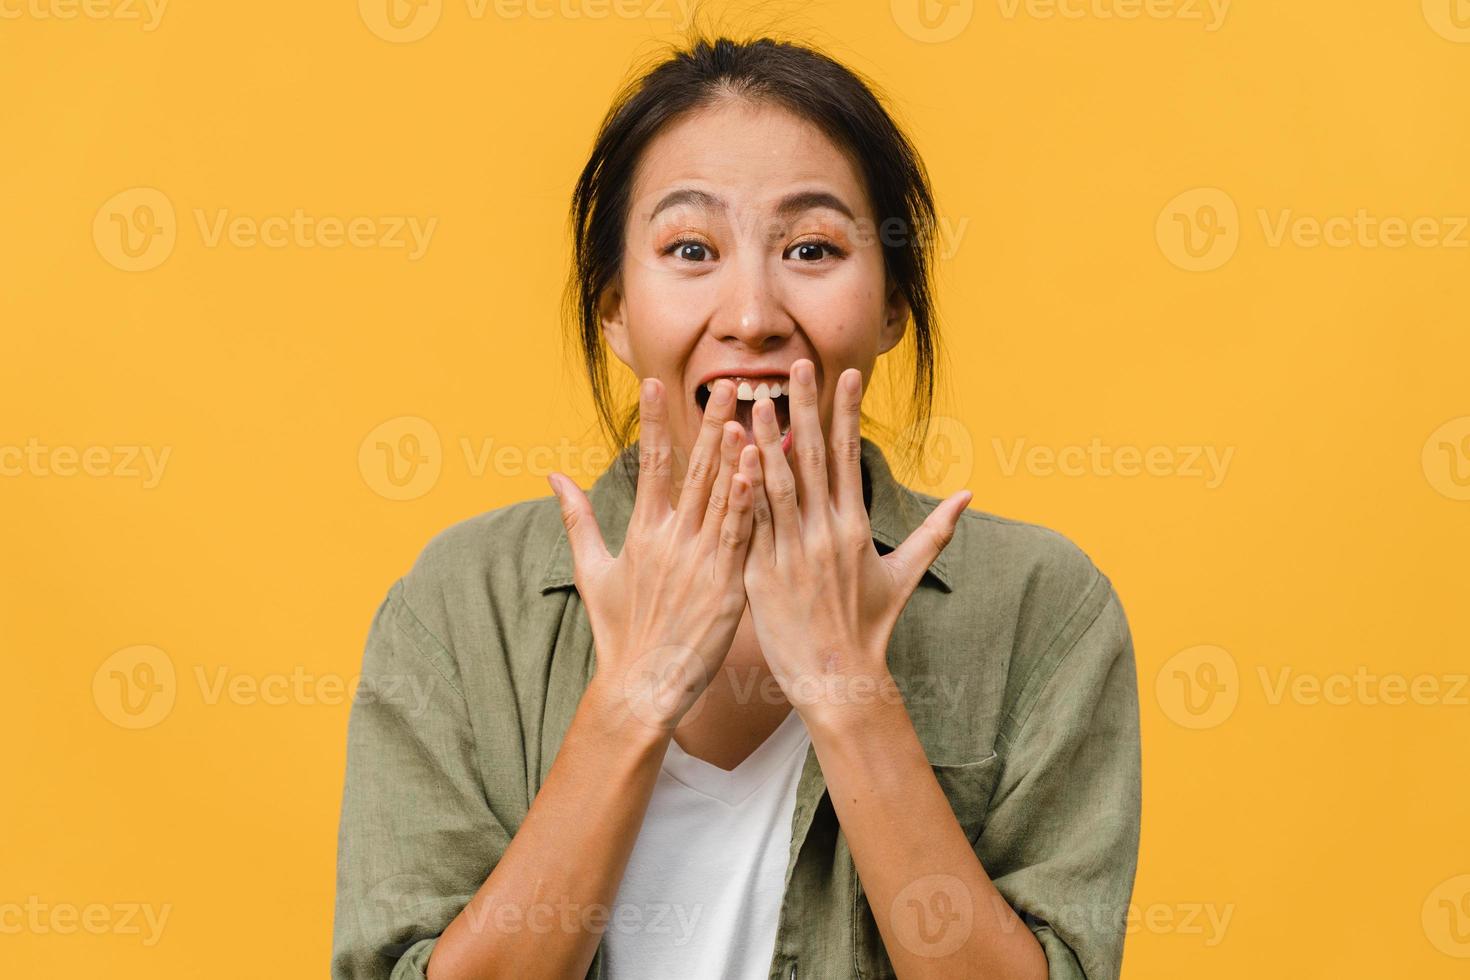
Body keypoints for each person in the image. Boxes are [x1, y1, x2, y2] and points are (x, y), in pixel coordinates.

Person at [331, 34, 1141, 980]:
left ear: (891, 308)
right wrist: (633, 697)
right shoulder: (458, 608)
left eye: (812, 248)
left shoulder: (1043, 611)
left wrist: (846, 688)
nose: (752, 313)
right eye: (689, 249)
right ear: (615, 313)